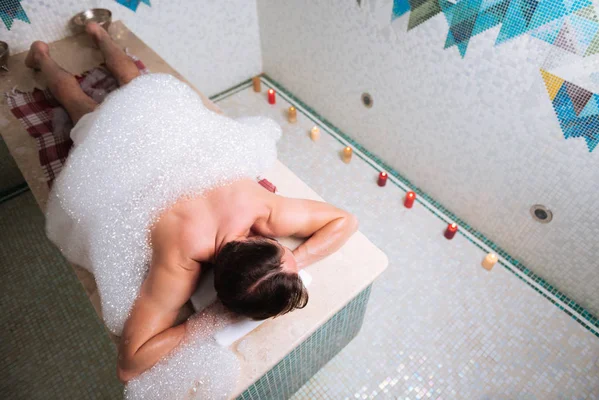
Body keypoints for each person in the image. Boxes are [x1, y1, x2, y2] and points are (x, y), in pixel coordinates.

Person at [26, 22, 358, 382]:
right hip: (130, 149)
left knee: (137, 87)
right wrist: (210, 319)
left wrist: (291, 262)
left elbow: (345, 222)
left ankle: (90, 37)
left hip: (160, 127)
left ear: (260, 240)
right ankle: (50, 54)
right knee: (82, 106)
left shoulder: (255, 206)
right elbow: (128, 365)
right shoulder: (181, 258)